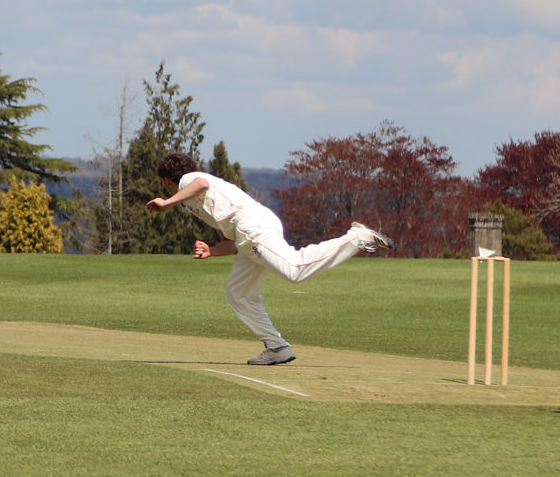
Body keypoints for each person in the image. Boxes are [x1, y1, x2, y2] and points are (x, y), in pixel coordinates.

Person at [145, 152, 393, 365]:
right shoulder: (192, 202)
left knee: (294, 270)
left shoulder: (189, 180)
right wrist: (212, 250)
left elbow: (200, 183)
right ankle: (277, 347)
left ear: (168, 180)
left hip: (252, 226)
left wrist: (167, 202)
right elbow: (230, 242)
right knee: (238, 292)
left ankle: (356, 238)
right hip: (247, 234)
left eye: (165, 184)